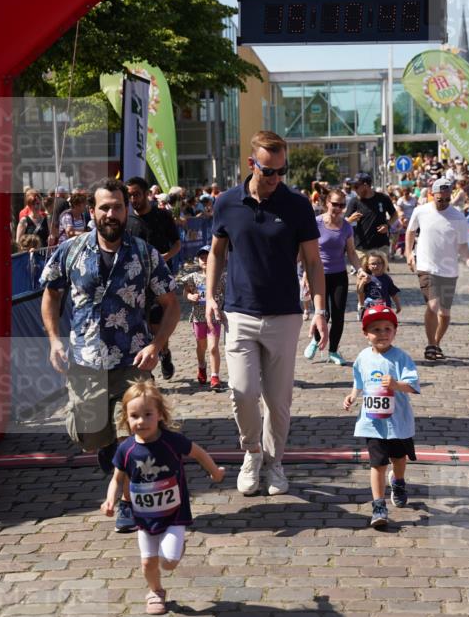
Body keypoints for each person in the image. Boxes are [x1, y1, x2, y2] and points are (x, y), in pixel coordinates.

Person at [40, 179, 180, 533]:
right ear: (92, 211)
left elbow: (171, 304)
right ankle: (106, 448)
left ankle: (127, 503)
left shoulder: (144, 254)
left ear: (126, 209)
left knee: (133, 433)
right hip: (85, 362)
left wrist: (156, 345)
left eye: (117, 207)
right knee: (87, 434)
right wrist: (54, 341)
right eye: (104, 207)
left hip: (132, 362)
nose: (111, 214)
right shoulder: (71, 251)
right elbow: (51, 294)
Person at [205, 130, 327, 497]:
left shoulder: (297, 205)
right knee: (243, 391)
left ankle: (275, 462)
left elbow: (313, 262)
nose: (275, 178)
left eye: (281, 171)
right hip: (239, 313)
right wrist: (210, 296)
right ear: (251, 164)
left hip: (284, 315)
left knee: (278, 401)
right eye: (268, 171)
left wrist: (320, 310)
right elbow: (216, 253)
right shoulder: (227, 203)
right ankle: (252, 452)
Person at [101, 382, 225, 615]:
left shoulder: (172, 441)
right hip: (144, 517)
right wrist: (110, 500)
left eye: (148, 414)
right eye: (134, 416)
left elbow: (198, 453)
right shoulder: (126, 449)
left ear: (159, 414)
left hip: (174, 514)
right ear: (126, 418)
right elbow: (117, 479)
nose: (141, 421)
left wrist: (215, 472)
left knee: (168, 562)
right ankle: (155, 592)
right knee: (147, 562)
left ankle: (176, 548)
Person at [343, 304, 420, 531]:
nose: (382, 334)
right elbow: (359, 381)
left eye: (387, 329)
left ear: (395, 331)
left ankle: (398, 481)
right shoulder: (362, 357)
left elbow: (413, 385)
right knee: (377, 464)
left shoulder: (401, 358)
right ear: (365, 334)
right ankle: (378, 506)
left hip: (398, 423)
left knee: (399, 459)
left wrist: (396, 385)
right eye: (376, 329)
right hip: (373, 423)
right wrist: (352, 395)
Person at [405, 178, 469, 362]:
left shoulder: (458, 217)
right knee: (433, 305)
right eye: (440, 199)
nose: (443, 203)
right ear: (432, 194)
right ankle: (430, 345)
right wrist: (409, 253)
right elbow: (410, 231)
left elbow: (463, 246)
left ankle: (436, 343)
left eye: (447, 199)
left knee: (444, 313)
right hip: (426, 267)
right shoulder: (421, 211)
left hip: (449, 270)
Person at [126, 177, 182, 380]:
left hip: (160, 281)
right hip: (136, 281)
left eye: (136, 194)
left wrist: (164, 258)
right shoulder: (127, 221)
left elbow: (177, 244)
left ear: (146, 194)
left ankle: (164, 352)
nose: (133, 199)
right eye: (130, 196)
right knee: (142, 325)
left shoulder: (162, 216)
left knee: (157, 324)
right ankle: (145, 370)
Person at [303, 189, 363, 365]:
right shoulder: (316, 223)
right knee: (323, 312)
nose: (338, 208)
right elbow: (307, 253)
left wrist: (359, 269)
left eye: (342, 205)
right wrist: (306, 274)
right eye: (335, 204)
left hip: (339, 275)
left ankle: (333, 351)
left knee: (338, 315)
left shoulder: (346, 227)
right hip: (318, 274)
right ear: (327, 203)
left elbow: (351, 252)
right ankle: (316, 340)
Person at [182, 246, 226, 389]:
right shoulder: (193, 277)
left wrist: (223, 308)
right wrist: (190, 296)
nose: (205, 260)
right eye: (202, 258)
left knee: (213, 347)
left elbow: (227, 293)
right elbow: (185, 292)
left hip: (214, 317)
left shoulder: (221, 277)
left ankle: (215, 376)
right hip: (198, 317)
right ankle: (202, 366)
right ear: (198, 260)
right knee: (201, 346)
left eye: (208, 257)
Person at [345, 172, 397, 260]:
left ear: (365, 185)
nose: (354, 190)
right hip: (361, 248)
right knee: (362, 270)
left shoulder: (383, 198)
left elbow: (395, 215)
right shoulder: (354, 201)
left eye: (356, 187)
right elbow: (345, 220)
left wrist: (388, 225)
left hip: (381, 246)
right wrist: (350, 219)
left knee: (381, 269)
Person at [356, 252, 401, 318]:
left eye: (379, 263)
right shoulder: (366, 277)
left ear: (383, 264)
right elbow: (360, 292)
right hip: (369, 308)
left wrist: (398, 305)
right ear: (367, 265)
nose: (376, 266)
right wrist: (362, 282)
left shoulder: (386, 278)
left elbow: (393, 293)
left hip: (384, 308)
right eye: (373, 264)